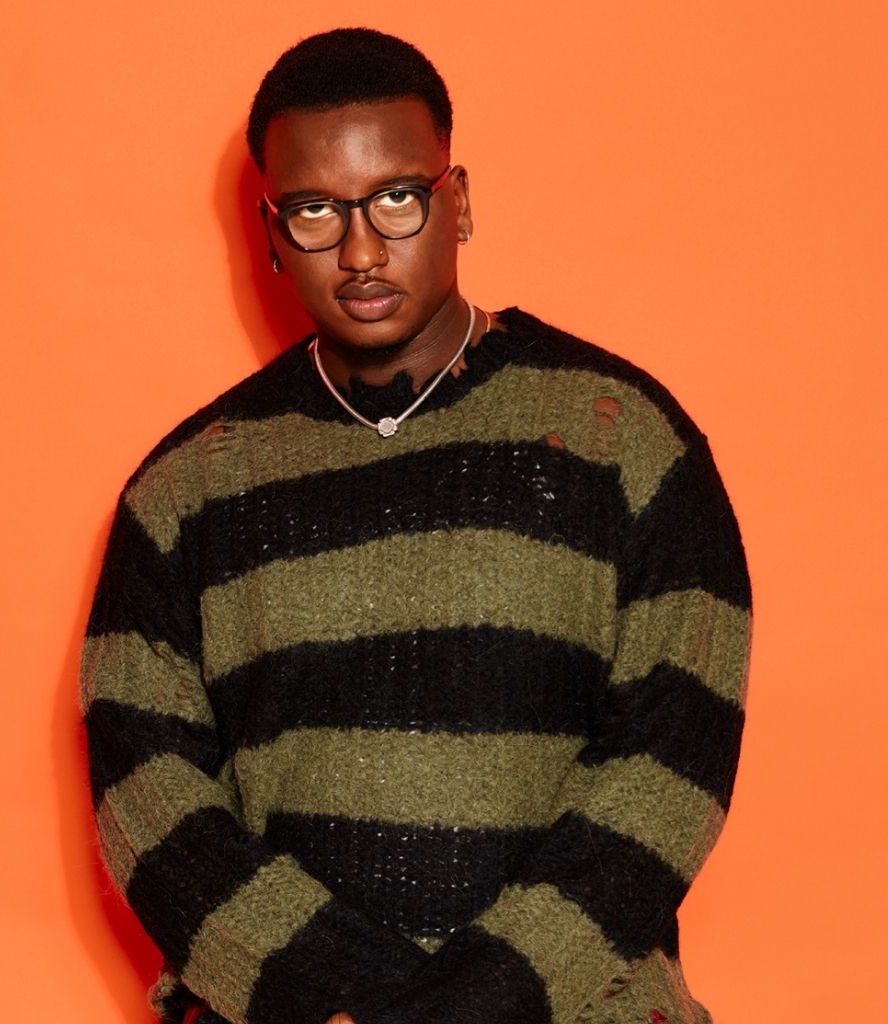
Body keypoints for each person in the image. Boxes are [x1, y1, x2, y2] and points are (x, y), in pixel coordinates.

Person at [80, 27, 751, 1024]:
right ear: (270, 233)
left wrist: (482, 1000)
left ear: (459, 201)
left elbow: (671, 764)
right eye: (314, 211)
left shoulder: (625, 442)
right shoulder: (183, 494)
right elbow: (147, 795)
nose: (360, 251)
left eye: (397, 198)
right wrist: (335, 995)